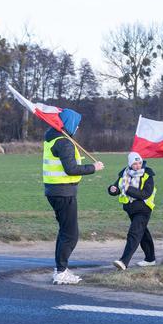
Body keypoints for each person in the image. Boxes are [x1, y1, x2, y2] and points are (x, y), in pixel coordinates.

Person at [43, 109, 104, 284]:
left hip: (55, 191)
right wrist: (93, 168)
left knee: (65, 231)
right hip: (63, 192)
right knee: (71, 234)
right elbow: (71, 169)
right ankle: (61, 272)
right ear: (70, 125)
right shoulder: (64, 142)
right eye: (76, 125)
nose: (77, 128)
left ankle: (60, 268)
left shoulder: (53, 138)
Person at [107, 152, 158, 271]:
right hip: (131, 209)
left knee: (134, 234)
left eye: (139, 163)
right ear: (130, 164)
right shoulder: (124, 174)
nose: (138, 166)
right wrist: (112, 189)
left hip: (144, 209)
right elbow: (117, 188)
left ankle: (124, 262)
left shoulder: (147, 175)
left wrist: (128, 189)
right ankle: (150, 259)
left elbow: (146, 194)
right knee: (143, 233)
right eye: (135, 164)